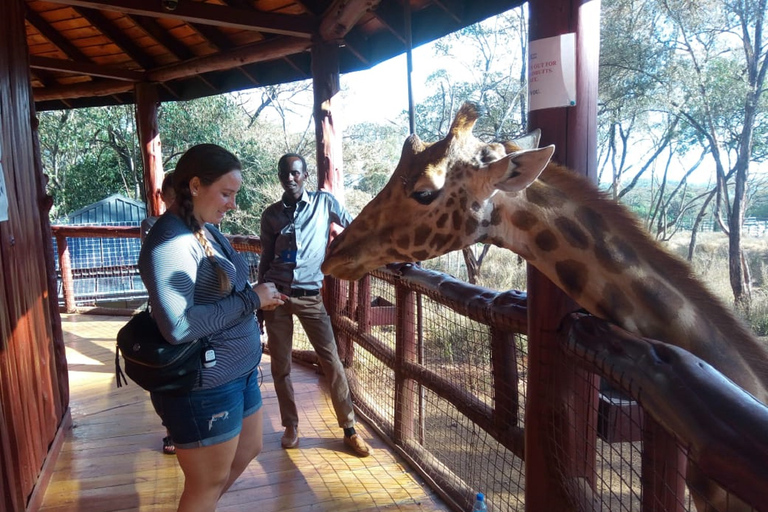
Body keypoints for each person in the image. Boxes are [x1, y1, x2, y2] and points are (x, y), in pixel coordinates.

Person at [138, 144, 286, 512]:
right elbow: (177, 326)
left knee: (249, 449)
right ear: (194, 186)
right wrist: (252, 300)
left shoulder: (205, 229)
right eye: (226, 193)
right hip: (204, 383)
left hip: (238, 371)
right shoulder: (169, 243)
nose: (232, 204)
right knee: (206, 482)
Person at [258, 153, 373, 457]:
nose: (290, 178)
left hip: (310, 296)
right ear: (280, 177)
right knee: (280, 365)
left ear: (306, 176)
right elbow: (265, 259)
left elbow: (355, 226)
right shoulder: (271, 215)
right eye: (284, 173)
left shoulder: (324, 203)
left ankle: (348, 429)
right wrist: (259, 301)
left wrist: (377, 252)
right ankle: (291, 425)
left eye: (295, 173)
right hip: (276, 296)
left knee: (332, 361)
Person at [139, 171, 178, 455]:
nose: (176, 200)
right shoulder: (152, 225)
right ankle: (170, 428)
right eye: (171, 195)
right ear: (163, 196)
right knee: (162, 372)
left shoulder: (200, 225)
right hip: (161, 308)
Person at [140, 171, 175, 243]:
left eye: (183, 198)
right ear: (162, 197)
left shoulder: (199, 223)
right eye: (173, 198)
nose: (178, 203)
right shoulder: (150, 223)